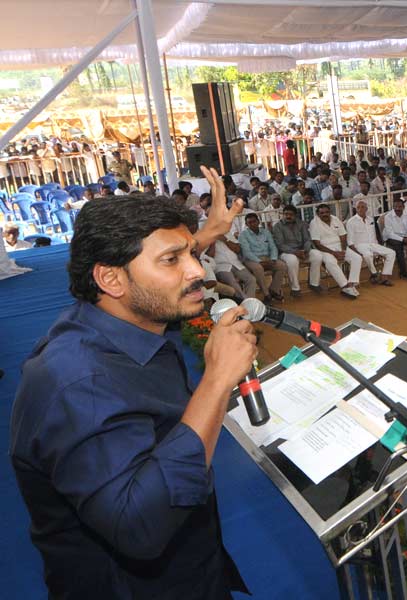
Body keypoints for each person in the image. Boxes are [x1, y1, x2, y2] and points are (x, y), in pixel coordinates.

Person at [10, 167, 253, 598]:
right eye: (172, 259)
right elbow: (140, 527)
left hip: (191, 567)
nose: (197, 270)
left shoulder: (130, 319)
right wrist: (216, 380)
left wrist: (206, 233)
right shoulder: (77, 382)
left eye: (191, 253)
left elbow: (154, 269)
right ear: (110, 278)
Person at [309, 203, 361, 298]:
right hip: (325, 248)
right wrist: (334, 253)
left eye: (327, 212)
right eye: (322, 213)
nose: (325, 214)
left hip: (339, 246)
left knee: (357, 258)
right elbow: (317, 244)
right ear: (318, 214)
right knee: (330, 262)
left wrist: (343, 250)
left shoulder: (335, 219)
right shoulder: (314, 223)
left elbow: (343, 236)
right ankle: (345, 286)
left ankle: (352, 283)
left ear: (330, 212)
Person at [272, 205, 322, 296]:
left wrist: (306, 251)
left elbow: (307, 239)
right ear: (283, 215)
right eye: (286, 214)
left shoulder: (301, 224)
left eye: (290, 214)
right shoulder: (277, 226)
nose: (288, 216)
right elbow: (280, 244)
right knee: (292, 260)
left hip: (302, 251)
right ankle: (295, 289)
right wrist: (295, 252)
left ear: (295, 215)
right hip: (286, 252)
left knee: (317, 255)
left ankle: (314, 283)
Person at [238, 212, 288, 303]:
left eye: (254, 221)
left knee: (282, 266)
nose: (252, 224)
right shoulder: (243, 235)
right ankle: (266, 294)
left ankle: (274, 290)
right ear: (246, 224)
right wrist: (259, 261)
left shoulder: (265, 232)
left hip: (267, 257)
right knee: (258, 268)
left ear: (258, 221)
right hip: (251, 259)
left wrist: (273, 258)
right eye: (250, 222)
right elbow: (246, 252)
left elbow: (273, 246)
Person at [346, 200, 396, 286]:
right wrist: (356, 252)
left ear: (366, 208)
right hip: (360, 245)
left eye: (363, 207)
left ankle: (384, 276)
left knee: (391, 253)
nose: (360, 209)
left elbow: (375, 234)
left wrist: (379, 245)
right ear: (356, 209)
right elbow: (350, 241)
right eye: (358, 207)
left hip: (373, 244)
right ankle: (374, 273)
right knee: (368, 255)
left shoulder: (370, 219)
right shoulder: (351, 221)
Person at [381, 196, 407, 279]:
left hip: (405, 236)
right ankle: (404, 272)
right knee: (398, 245)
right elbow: (390, 233)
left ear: (403, 207)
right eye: (395, 207)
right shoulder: (388, 217)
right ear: (393, 207)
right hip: (392, 238)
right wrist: (403, 239)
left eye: (400, 207)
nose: (397, 209)